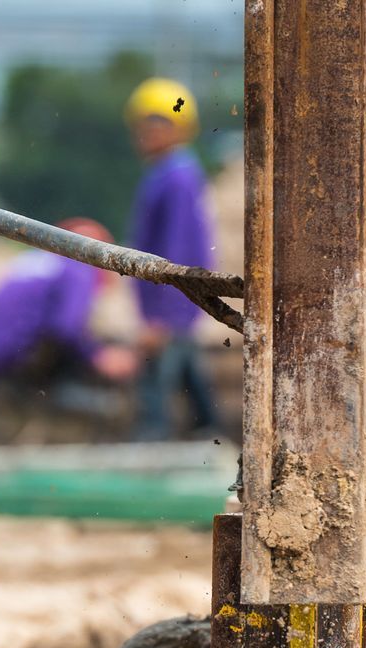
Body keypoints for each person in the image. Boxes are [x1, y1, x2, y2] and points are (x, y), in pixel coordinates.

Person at [0, 218, 137, 415]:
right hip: (10, 363)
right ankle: (71, 400)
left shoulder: (35, 259)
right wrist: (97, 357)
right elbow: (65, 328)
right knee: (79, 353)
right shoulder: (77, 267)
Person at [125, 77, 220, 443]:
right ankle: (211, 447)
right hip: (174, 305)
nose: (144, 134)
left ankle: (154, 467)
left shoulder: (177, 176)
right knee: (191, 387)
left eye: (155, 125)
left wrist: (161, 318)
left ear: (179, 128)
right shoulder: (167, 173)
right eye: (141, 126)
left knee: (155, 394)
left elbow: (178, 248)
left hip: (171, 307)